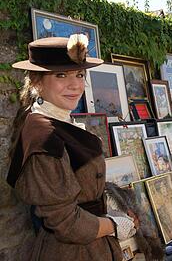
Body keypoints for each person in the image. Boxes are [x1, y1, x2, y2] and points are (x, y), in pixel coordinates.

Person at [6, 34, 137, 260]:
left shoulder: (56, 122)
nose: (75, 85)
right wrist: (115, 225)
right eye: (60, 75)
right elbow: (66, 222)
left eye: (79, 74)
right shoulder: (44, 137)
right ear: (37, 81)